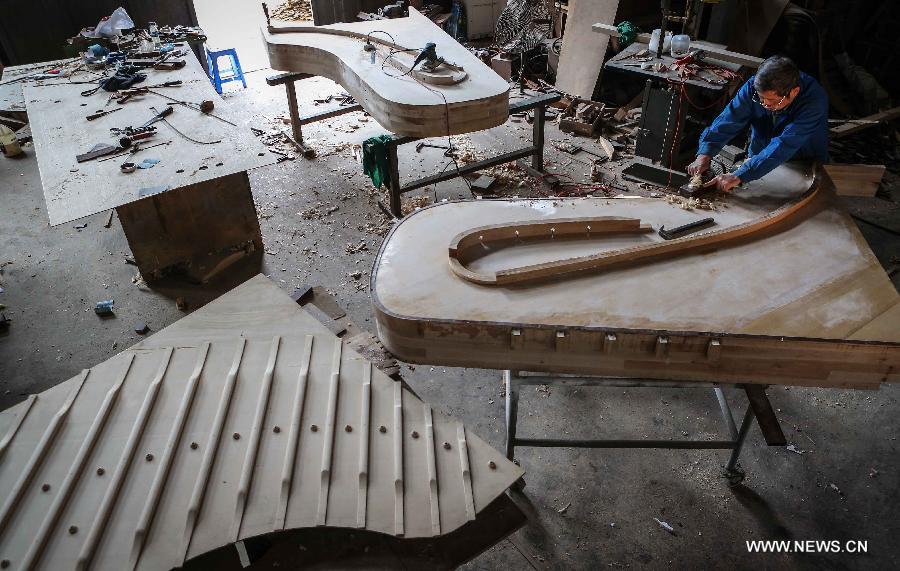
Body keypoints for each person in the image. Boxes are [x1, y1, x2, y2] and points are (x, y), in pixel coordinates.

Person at [687, 55, 829, 192]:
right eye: (761, 99)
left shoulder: (814, 101)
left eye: (773, 101)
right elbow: (728, 120)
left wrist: (740, 174)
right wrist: (704, 154)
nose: (765, 104)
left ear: (794, 92)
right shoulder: (753, 87)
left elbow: (785, 143)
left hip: (802, 160)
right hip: (759, 154)